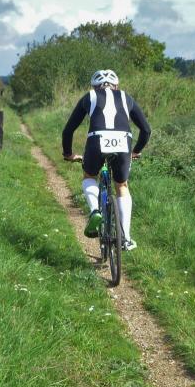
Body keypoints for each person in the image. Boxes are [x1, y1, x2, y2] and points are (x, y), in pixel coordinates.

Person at [62, 69, 151, 251]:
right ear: (116, 85)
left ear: (95, 86)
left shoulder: (90, 96)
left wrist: (68, 153)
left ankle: (95, 210)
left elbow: (68, 130)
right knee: (122, 186)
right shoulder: (126, 97)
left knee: (89, 176)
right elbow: (146, 130)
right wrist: (135, 151)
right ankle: (125, 238)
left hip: (97, 139)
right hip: (123, 141)